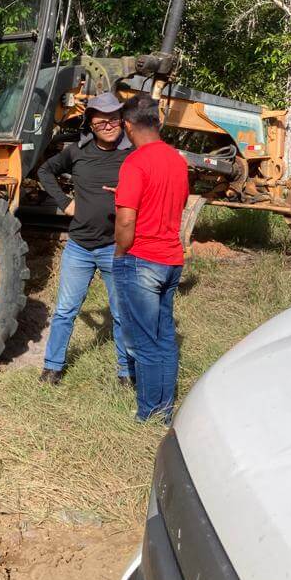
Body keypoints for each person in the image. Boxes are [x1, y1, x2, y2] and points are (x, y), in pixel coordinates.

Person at [38, 92, 133, 385]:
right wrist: (65, 203)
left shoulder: (133, 154)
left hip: (115, 248)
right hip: (79, 247)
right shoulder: (77, 151)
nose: (108, 124)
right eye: (100, 119)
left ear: (122, 120)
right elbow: (45, 170)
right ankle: (52, 368)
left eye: (113, 118)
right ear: (91, 123)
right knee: (66, 310)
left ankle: (126, 373)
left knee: (120, 313)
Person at [112, 94, 189, 422]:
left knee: (145, 343)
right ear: (156, 122)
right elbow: (177, 204)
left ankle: (147, 413)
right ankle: (166, 411)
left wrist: (119, 252)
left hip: (141, 259)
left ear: (128, 126)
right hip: (171, 259)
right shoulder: (177, 160)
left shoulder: (135, 162)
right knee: (164, 339)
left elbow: (126, 219)